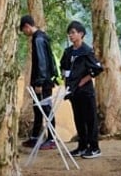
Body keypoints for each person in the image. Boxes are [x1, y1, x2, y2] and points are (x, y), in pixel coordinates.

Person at [60, 20, 103, 159]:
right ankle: (82, 145)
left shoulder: (87, 51)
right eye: (69, 33)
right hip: (73, 91)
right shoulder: (68, 52)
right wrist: (67, 84)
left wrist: (83, 81)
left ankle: (94, 147)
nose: (71, 35)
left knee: (90, 119)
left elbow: (97, 69)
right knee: (78, 119)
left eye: (73, 32)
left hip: (86, 91)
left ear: (81, 34)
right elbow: (64, 68)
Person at [19, 14, 58, 150]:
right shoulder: (40, 37)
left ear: (27, 27)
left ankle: (52, 139)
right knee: (37, 109)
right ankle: (35, 137)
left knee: (46, 109)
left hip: (43, 82)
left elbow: (42, 62)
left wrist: (39, 82)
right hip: (42, 80)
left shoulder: (39, 39)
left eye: (23, 30)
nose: (25, 33)